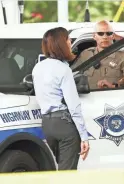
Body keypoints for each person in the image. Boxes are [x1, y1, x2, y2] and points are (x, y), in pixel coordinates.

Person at [32, 27, 90, 170]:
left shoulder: (37, 68)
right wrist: (84, 136)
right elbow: (74, 105)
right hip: (64, 124)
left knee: (60, 168)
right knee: (67, 173)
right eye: (68, 40)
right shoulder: (64, 70)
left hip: (47, 124)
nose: (70, 42)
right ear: (61, 44)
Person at [71, 20, 124, 89]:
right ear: (94, 36)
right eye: (100, 33)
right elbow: (70, 76)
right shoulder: (86, 54)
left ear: (113, 36)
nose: (105, 37)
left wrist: (113, 86)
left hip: (113, 97)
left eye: (108, 33)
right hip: (87, 98)